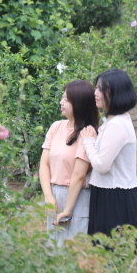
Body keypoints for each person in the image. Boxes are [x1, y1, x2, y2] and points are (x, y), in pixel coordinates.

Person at [61, 68, 137, 251]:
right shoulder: (113, 122)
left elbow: (102, 165)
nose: (95, 93)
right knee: (109, 254)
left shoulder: (117, 125)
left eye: (101, 89)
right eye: (96, 88)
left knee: (117, 255)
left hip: (116, 199)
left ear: (116, 93)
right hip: (109, 194)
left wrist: (88, 142)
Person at [40, 80, 99, 243]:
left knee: (74, 249)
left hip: (77, 197)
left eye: (66, 99)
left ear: (79, 103)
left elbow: (78, 176)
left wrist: (68, 208)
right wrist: (48, 196)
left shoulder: (88, 132)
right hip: (54, 194)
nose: (61, 102)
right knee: (53, 249)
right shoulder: (56, 127)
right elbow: (44, 164)